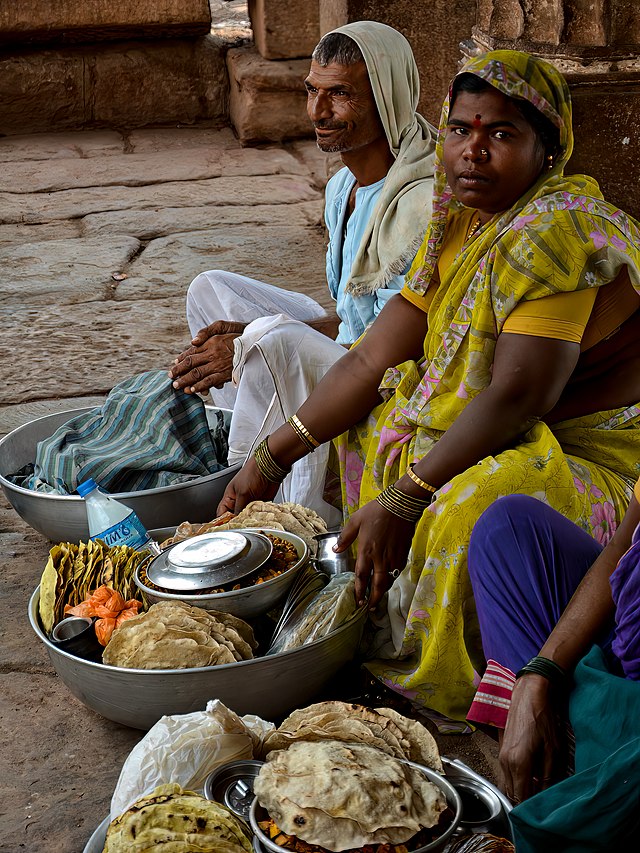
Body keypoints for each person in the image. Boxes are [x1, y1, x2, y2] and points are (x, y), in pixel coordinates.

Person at [218, 49, 640, 722]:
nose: (473, 151)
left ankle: (473, 677)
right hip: (531, 426)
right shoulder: (459, 219)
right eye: (460, 130)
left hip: (602, 457)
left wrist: (409, 497)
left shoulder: (555, 230)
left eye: (501, 134)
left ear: (547, 149)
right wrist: (270, 458)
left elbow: (516, 397)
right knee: (376, 426)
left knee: (464, 501)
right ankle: (382, 602)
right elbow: (367, 359)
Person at [168, 21, 436, 523]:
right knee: (211, 290)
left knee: (272, 340)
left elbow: (392, 347)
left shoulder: (420, 201)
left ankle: (300, 506)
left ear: (387, 97)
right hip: (357, 345)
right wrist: (247, 335)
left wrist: (253, 343)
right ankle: (245, 447)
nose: (318, 111)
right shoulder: (341, 188)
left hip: (392, 383)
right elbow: (351, 317)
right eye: (312, 91)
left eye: (341, 95)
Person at [467, 489, 640, 851]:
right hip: (626, 648)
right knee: (507, 526)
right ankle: (534, 748)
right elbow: (623, 546)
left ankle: (569, 771)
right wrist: (539, 673)